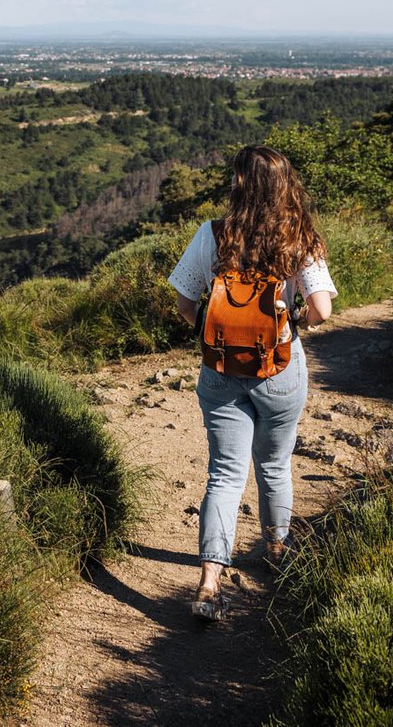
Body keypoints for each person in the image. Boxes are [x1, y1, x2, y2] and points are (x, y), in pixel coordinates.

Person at [166, 145, 336, 620]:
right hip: (281, 368)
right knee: (276, 465)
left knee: (224, 473)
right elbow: (321, 309)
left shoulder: (213, 234)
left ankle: (208, 584)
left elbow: (183, 300)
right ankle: (277, 553)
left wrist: (217, 330)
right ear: (285, 185)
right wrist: (293, 318)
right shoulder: (300, 237)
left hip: (220, 370)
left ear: (239, 183)